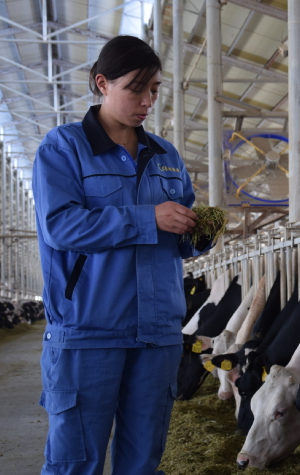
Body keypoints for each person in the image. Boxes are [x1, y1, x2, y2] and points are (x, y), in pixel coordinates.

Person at [32, 35, 214, 474]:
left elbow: (177, 236)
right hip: (88, 330)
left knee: (142, 462)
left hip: (157, 333)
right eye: (136, 88)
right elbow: (61, 226)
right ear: (102, 83)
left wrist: (198, 233)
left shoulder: (166, 156)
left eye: (154, 89)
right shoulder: (64, 148)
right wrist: (149, 218)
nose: (147, 101)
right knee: (76, 462)